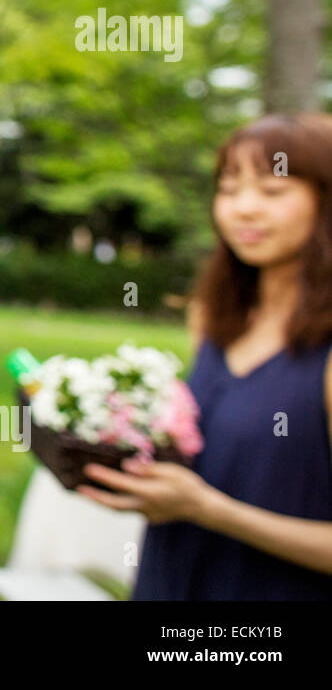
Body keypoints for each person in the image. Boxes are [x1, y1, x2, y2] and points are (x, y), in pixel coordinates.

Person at [81, 113, 332, 599]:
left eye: (272, 191)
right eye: (229, 188)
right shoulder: (214, 320)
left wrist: (210, 510)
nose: (244, 209)